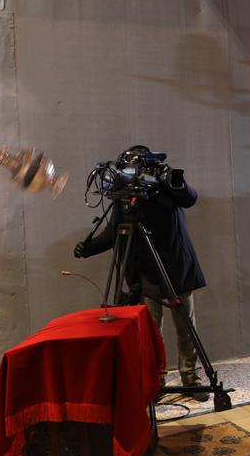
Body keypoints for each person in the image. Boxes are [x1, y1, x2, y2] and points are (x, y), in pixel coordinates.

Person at [73, 144, 208, 401]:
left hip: (175, 266)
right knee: (151, 330)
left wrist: (169, 178)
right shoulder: (124, 195)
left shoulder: (163, 185)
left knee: (185, 326)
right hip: (145, 270)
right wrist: (89, 248)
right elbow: (113, 231)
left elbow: (189, 198)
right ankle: (155, 379)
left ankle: (190, 376)